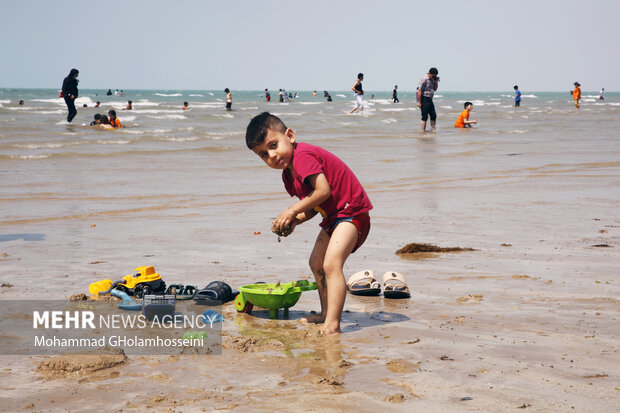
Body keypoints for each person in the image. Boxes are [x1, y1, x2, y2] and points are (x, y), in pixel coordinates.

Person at [245, 112, 373, 336]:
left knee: (331, 265)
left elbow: (323, 191)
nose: (272, 156)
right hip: (334, 217)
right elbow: (314, 205)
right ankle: (326, 314)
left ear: (290, 136)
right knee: (316, 262)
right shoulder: (288, 175)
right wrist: (295, 220)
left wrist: (292, 209)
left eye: (274, 145)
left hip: (352, 212)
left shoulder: (302, 156)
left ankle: (333, 324)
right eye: (263, 154)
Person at [417, 67, 439, 132]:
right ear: (430, 73)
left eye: (435, 76)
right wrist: (419, 102)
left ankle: (433, 130)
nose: (434, 77)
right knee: (424, 116)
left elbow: (435, 89)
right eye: (433, 75)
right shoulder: (424, 79)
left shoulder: (433, 79)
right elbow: (420, 90)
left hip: (430, 99)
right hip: (424, 99)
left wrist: (436, 81)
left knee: (433, 115)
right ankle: (423, 131)